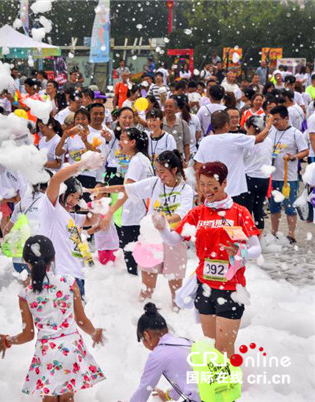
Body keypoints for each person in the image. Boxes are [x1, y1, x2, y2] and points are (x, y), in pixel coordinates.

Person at [153, 162, 262, 357]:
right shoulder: (197, 213)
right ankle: (215, 386)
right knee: (211, 346)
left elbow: (256, 249)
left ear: (225, 183)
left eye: (212, 185)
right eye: (202, 184)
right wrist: (162, 228)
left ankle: (230, 385)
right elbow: (174, 240)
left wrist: (239, 252)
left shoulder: (239, 212)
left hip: (231, 289)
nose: (206, 190)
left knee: (224, 348)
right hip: (204, 288)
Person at [0, 235, 106, 400]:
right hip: (71, 348)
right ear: (53, 258)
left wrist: (8, 340)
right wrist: (94, 333)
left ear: (26, 262)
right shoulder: (68, 282)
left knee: (49, 398)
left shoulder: (26, 295)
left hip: (46, 353)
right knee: (67, 398)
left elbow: (28, 335)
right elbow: (81, 320)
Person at [97, 151, 193, 306]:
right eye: (157, 170)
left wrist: (162, 222)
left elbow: (182, 214)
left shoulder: (185, 190)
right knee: (147, 287)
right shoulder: (154, 183)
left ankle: (177, 314)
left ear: (174, 170)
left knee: (176, 287)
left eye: (163, 171)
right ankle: (144, 312)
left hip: (173, 239)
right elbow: (126, 188)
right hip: (151, 239)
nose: (160, 175)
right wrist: (102, 190)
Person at [38, 159, 100, 296]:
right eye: (72, 196)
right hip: (61, 275)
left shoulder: (69, 216)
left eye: (77, 198)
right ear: (63, 191)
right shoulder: (52, 209)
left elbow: (91, 220)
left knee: (76, 315)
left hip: (77, 275)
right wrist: (81, 165)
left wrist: (96, 206)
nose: (74, 201)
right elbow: (55, 180)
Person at [99, 128, 153, 275]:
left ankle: (136, 292)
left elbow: (127, 191)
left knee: (132, 261)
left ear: (133, 142)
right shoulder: (144, 159)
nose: (120, 144)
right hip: (141, 215)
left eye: (123, 139)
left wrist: (110, 212)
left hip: (134, 216)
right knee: (141, 260)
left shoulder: (136, 161)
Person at [194, 110, 272, 204]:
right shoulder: (235, 138)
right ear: (226, 125)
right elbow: (260, 138)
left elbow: (199, 167)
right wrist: (268, 125)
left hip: (213, 191)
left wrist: (201, 190)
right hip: (235, 191)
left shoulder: (205, 141)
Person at [129, 303, 201, 402]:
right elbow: (189, 377)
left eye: (142, 339)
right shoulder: (185, 342)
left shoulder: (158, 355)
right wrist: (168, 395)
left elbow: (144, 389)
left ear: (146, 335)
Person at [268, 106, 309, 244]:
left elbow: (305, 151)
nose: (274, 123)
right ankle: (274, 232)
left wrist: (294, 157)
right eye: (272, 120)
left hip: (288, 178)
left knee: (290, 207)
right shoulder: (271, 131)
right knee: (273, 207)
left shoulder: (295, 133)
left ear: (286, 118)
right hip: (273, 176)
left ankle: (291, 235)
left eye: (277, 120)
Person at [55, 109, 104, 192]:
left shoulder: (96, 136)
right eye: (77, 119)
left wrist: (85, 141)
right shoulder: (71, 137)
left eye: (83, 118)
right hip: (72, 175)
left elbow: (96, 155)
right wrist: (63, 138)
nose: (80, 121)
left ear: (88, 120)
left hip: (89, 175)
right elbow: (58, 152)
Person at [242, 115, 274, 233]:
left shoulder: (246, 141)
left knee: (247, 210)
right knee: (259, 210)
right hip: (264, 179)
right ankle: (259, 240)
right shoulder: (269, 141)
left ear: (249, 127)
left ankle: (249, 238)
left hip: (250, 178)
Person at [86, 183, 120, 265]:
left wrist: (86, 232)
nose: (94, 192)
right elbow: (83, 206)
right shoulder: (95, 205)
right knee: (104, 268)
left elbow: (101, 226)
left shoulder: (105, 208)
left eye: (97, 191)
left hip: (108, 246)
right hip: (102, 244)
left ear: (104, 195)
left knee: (106, 269)